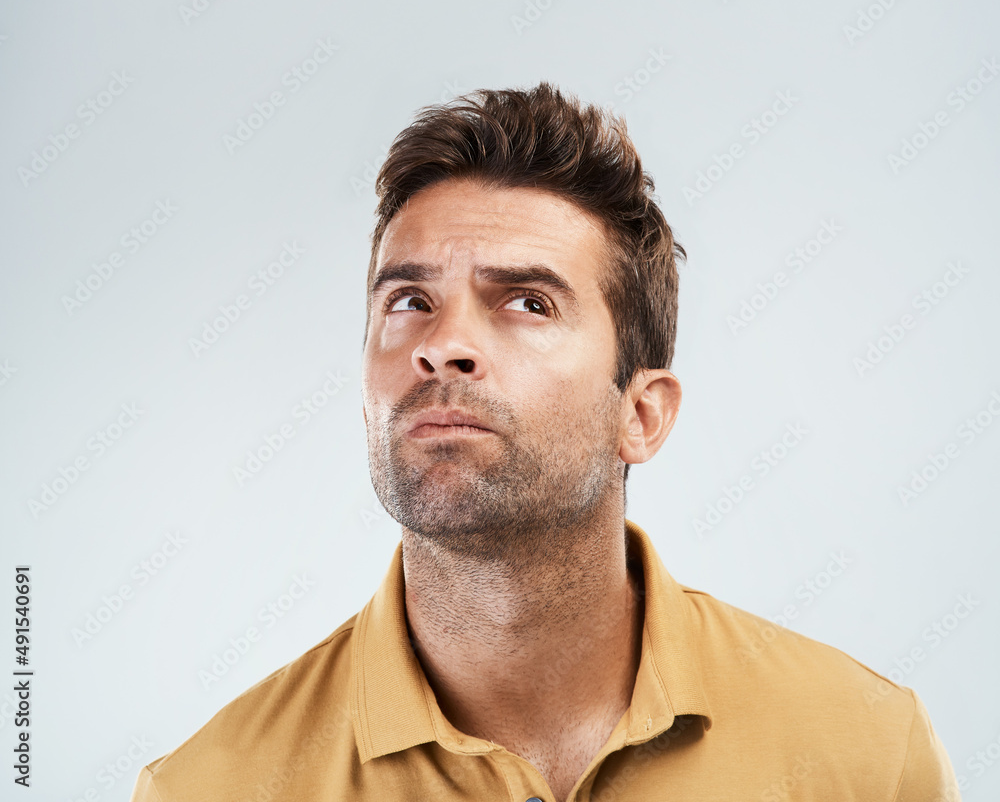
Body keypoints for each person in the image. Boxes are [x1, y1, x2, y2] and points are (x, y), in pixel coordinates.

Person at [131, 82, 960, 801]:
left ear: (641, 414)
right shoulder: (208, 787)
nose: (441, 344)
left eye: (527, 302)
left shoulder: (868, 755)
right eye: (409, 301)